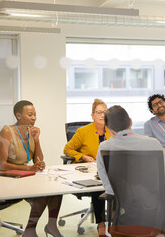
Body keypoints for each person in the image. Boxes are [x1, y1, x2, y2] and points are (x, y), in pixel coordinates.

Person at [96, 105, 165, 236]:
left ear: (109, 130)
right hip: (159, 212)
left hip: (127, 213)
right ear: (130, 122)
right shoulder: (153, 143)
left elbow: (109, 189)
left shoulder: (104, 148)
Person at [0, 100, 63, 237]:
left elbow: (38, 160)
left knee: (56, 190)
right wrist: (29, 169)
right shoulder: (6, 131)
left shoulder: (30, 132)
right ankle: (30, 230)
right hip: (9, 178)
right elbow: (1, 165)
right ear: (18, 115)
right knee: (41, 195)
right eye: (30, 115)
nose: (34, 118)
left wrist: (37, 140)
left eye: (35, 115)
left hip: (25, 176)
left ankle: (51, 226)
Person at [63, 98, 112, 235]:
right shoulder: (82, 131)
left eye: (105, 112)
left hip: (109, 169)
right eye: (99, 112)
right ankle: (101, 223)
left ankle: (117, 221)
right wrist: (82, 157)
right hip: (89, 172)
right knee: (98, 186)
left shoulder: (112, 130)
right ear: (92, 115)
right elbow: (67, 149)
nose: (102, 115)